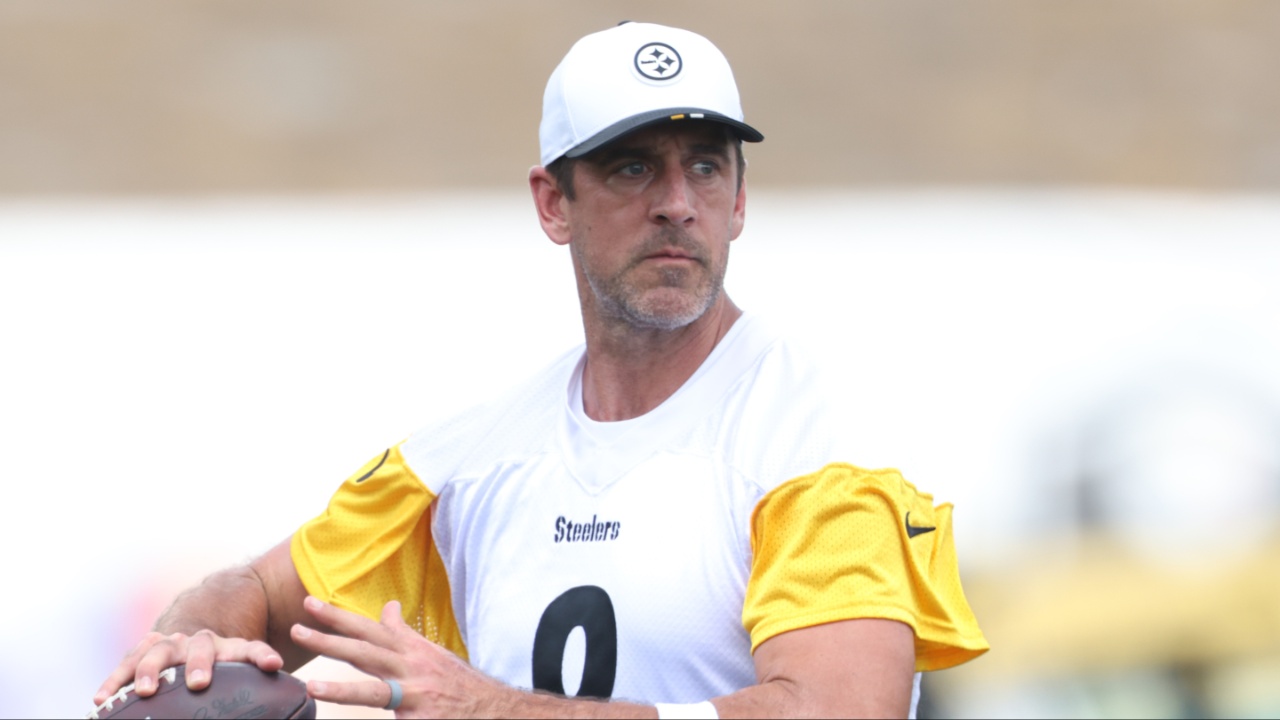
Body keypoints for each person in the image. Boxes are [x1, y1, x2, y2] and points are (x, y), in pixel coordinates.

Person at [93, 21, 987, 719]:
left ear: (741, 201)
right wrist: (192, 640)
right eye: (633, 168)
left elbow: (838, 710)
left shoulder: (817, 448)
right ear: (553, 202)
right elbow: (254, 592)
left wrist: (497, 709)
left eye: (705, 168)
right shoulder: (467, 463)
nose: (677, 203)